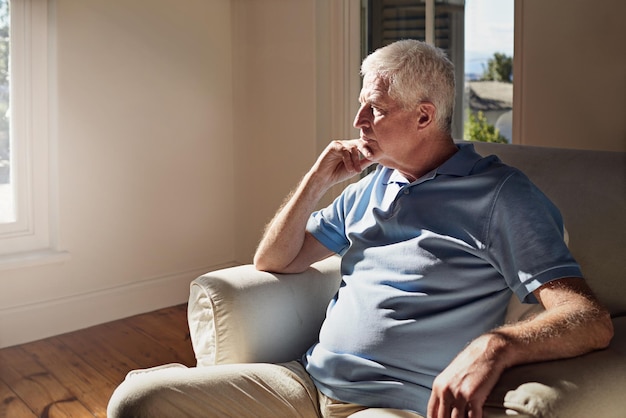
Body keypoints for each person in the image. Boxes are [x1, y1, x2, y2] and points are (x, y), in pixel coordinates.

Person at [108, 39, 613, 418]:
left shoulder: (502, 195)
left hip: (392, 405)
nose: (358, 119)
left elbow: (588, 317)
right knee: (138, 400)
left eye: (375, 108)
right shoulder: (371, 186)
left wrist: (496, 345)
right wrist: (316, 181)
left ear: (424, 116)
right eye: (361, 104)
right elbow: (274, 261)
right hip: (303, 384)